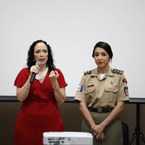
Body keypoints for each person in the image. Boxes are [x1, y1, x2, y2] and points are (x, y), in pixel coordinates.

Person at [14, 40, 68, 145]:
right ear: (33, 56)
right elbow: (20, 97)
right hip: (27, 125)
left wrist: (54, 82)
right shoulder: (24, 72)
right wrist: (30, 76)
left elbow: (61, 100)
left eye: (44, 51)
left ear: (48, 55)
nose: (41, 54)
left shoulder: (56, 73)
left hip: (52, 124)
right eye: (38, 51)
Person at [75, 41, 129, 145]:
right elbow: (81, 104)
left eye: (103, 54)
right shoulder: (86, 76)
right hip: (89, 121)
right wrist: (94, 127)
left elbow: (121, 106)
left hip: (111, 123)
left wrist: (102, 126)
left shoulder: (119, 76)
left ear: (110, 56)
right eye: (96, 55)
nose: (99, 58)